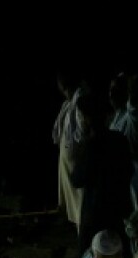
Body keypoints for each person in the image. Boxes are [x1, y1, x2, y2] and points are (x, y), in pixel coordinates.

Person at [71, 88, 135, 255]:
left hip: (94, 217)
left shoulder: (89, 146)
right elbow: (129, 171)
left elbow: (77, 179)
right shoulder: (119, 140)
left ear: (86, 118)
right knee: (120, 257)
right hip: (117, 213)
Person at [108, 71, 138, 214]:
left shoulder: (131, 116)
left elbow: (133, 104)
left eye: (115, 90)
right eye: (110, 90)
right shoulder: (114, 120)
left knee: (136, 224)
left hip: (133, 178)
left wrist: (132, 87)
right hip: (120, 179)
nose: (111, 94)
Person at [53, 71, 88, 228]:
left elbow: (82, 132)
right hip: (69, 163)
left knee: (81, 206)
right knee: (75, 208)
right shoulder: (68, 104)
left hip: (77, 163)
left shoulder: (80, 101)